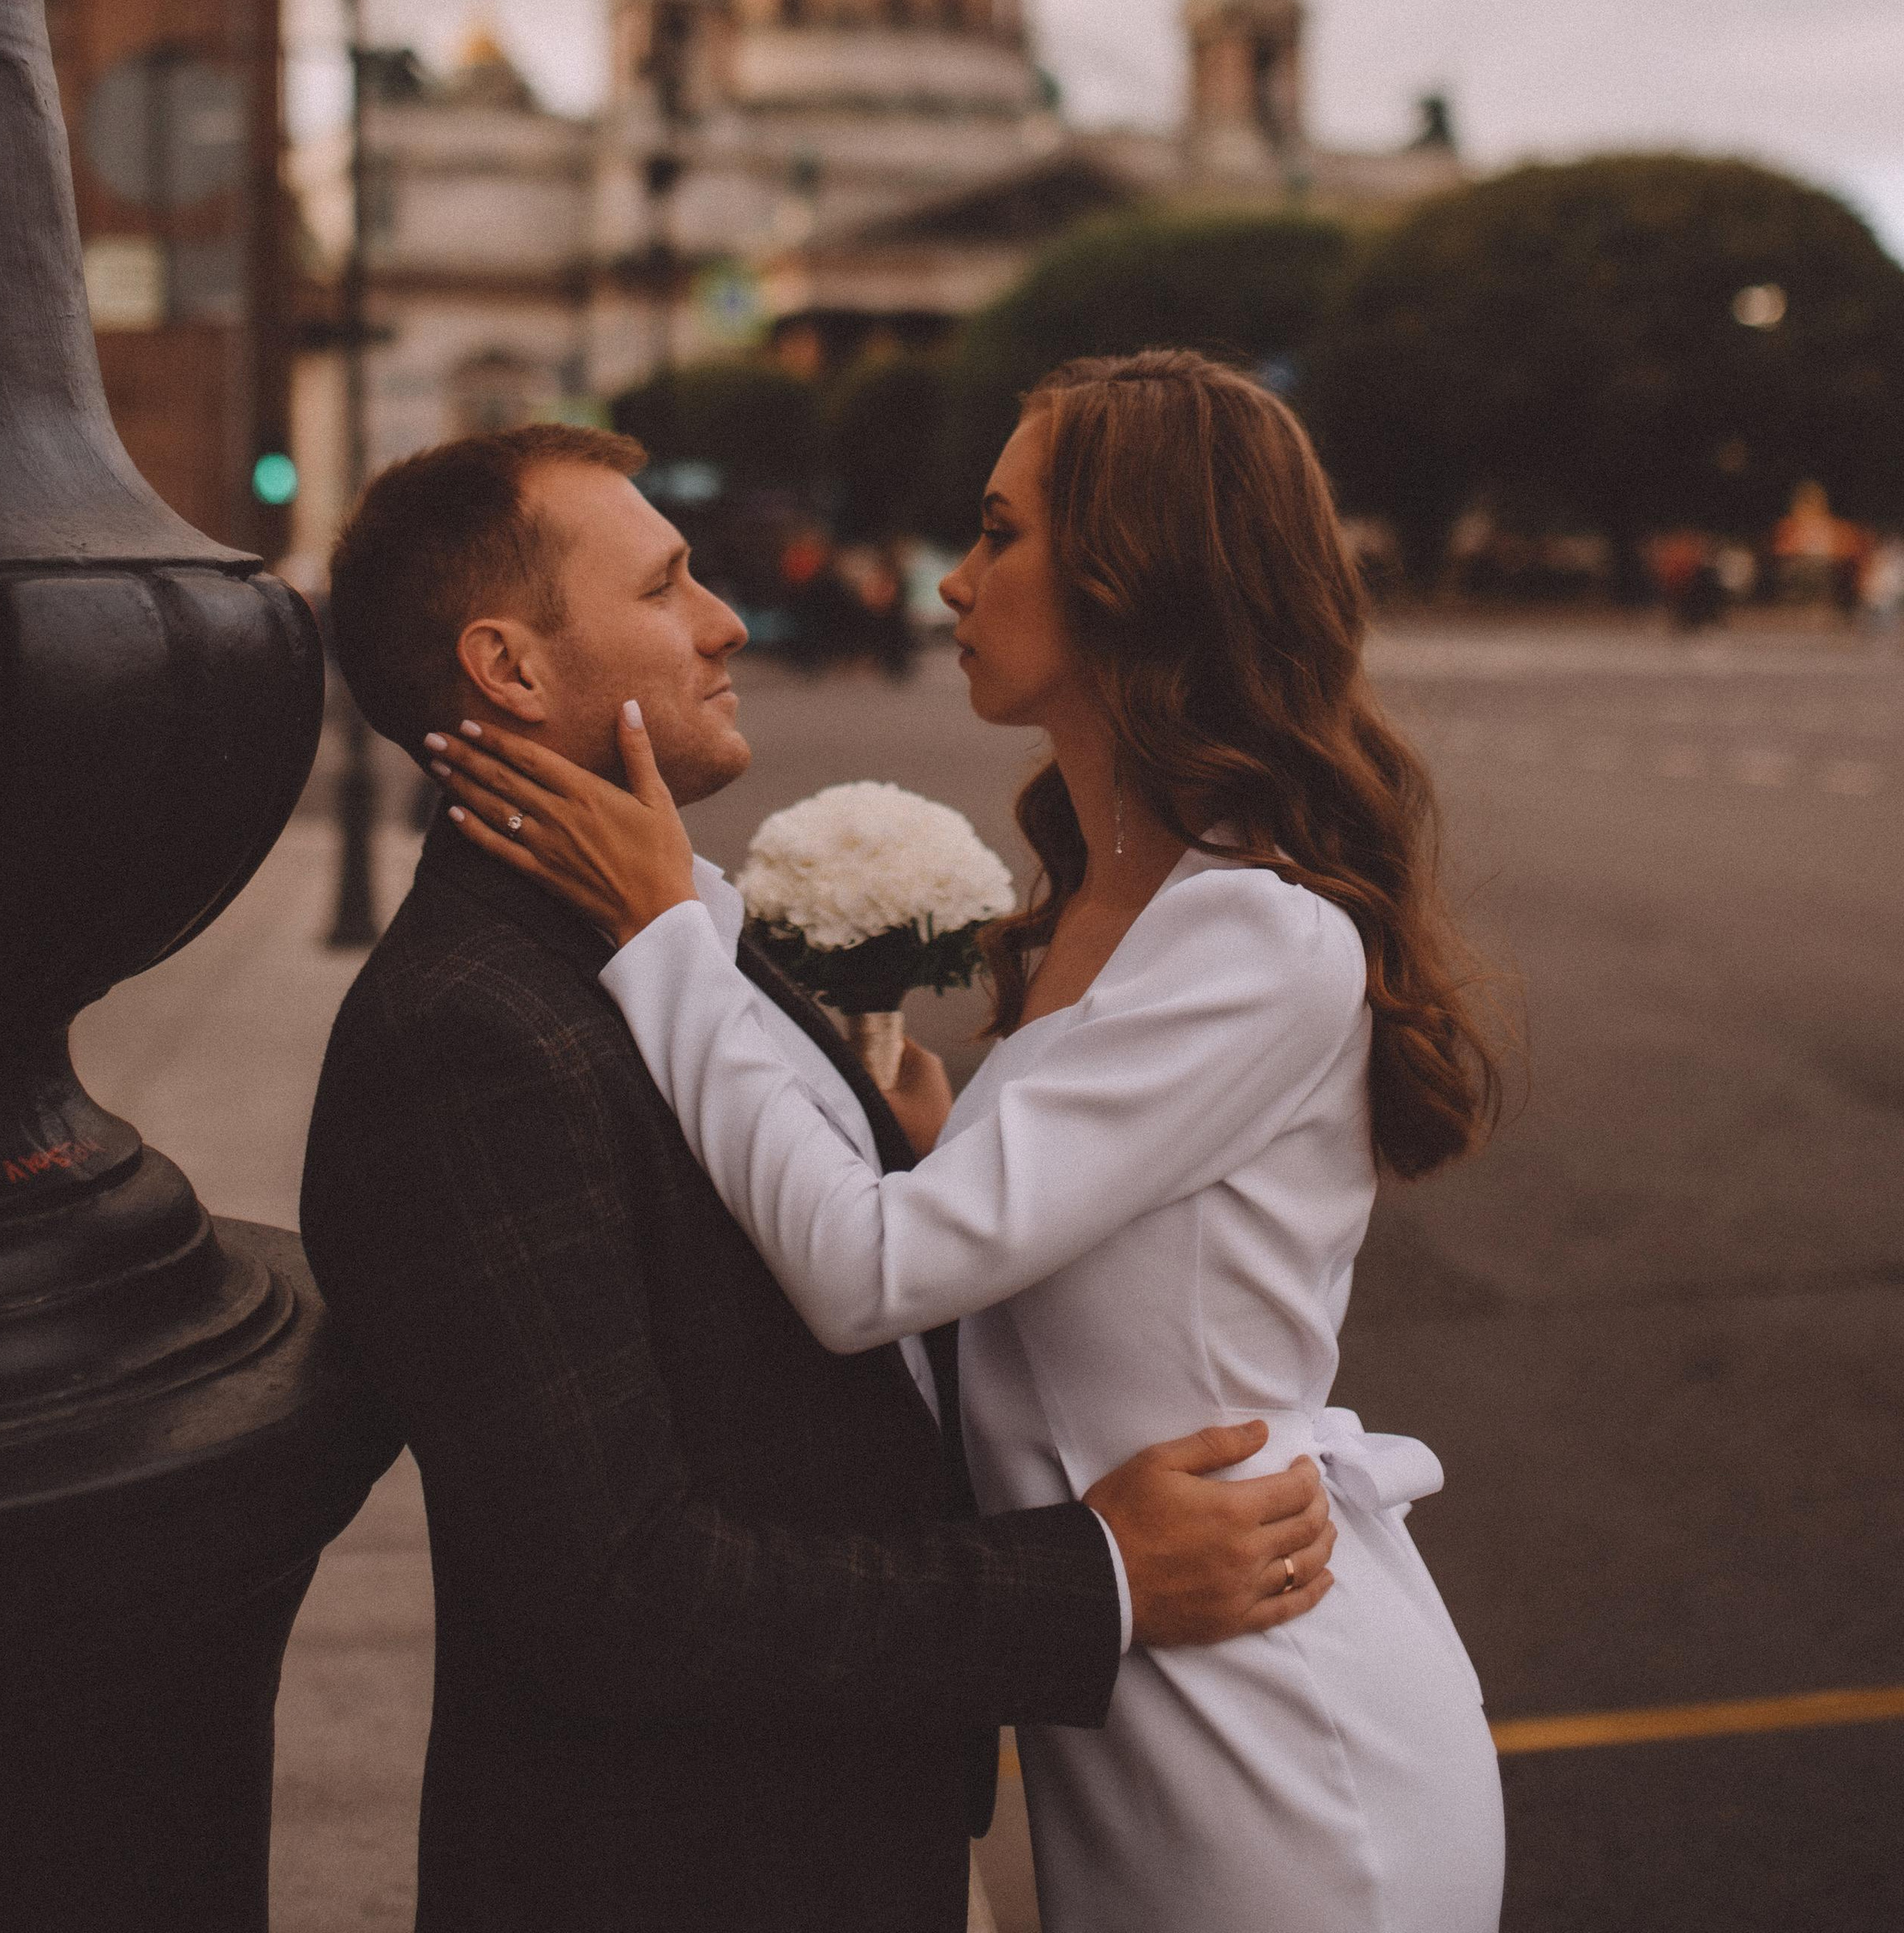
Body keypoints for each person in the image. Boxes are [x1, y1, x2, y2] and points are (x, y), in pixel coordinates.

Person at [433, 356, 1508, 1933]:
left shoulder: (1253, 936)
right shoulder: (1103, 905)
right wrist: (929, 1143)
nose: (951, 573)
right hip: (1126, 1706)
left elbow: (866, 1273)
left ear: (1127, 575)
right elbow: (1003, 1256)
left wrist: (671, 923)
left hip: (1279, 1755)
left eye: (999, 531)